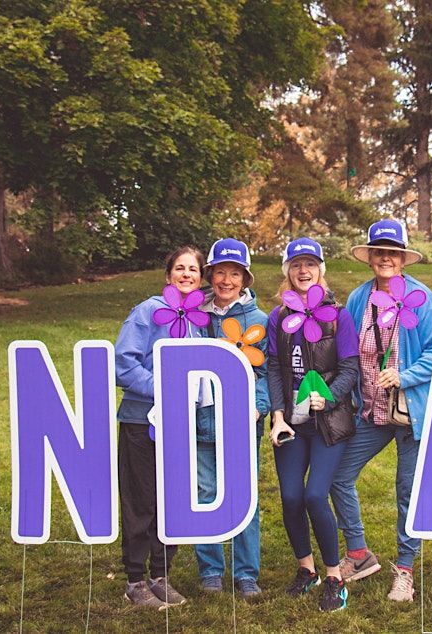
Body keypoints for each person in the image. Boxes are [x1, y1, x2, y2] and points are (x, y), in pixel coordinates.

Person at [329, 218, 432, 602]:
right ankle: (360, 554)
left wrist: (405, 375)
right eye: (379, 252)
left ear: (402, 259)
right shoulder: (358, 299)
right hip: (371, 413)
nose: (385, 258)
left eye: (392, 253)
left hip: (412, 412)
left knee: (406, 492)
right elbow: (346, 351)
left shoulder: (421, 297)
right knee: (338, 478)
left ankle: (405, 570)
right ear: (370, 258)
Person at [266, 238, 360, 612]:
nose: (303, 271)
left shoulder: (338, 315)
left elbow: (350, 368)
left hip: (329, 422)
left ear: (321, 270)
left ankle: (335, 576)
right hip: (292, 422)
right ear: (288, 271)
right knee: (290, 496)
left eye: (310, 264)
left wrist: (330, 396)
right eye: (296, 264)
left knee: (315, 495)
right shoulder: (278, 317)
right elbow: (274, 367)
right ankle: (307, 570)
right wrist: (277, 415)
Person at [114, 246, 204, 609]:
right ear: (168, 276)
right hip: (141, 422)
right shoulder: (148, 311)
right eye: (179, 268)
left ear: (200, 278)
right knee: (142, 501)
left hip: (179, 424)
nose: (186, 274)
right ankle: (135, 580)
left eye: (193, 269)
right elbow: (124, 363)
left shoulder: (197, 319)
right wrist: (165, 389)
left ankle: (160, 575)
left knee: (172, 501)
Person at [194, 238, 270, 599]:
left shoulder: (259, 320)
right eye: (220, 272)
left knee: (243, 495)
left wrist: (258, 405)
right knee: (206, 491)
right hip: (200, 421)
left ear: (245, 279)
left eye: (234, 273)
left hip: (241, 422)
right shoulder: (195, 315)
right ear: (210, 274)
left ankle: (246, 573)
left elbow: (271, 373)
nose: (226, 280)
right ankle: (210, 569)